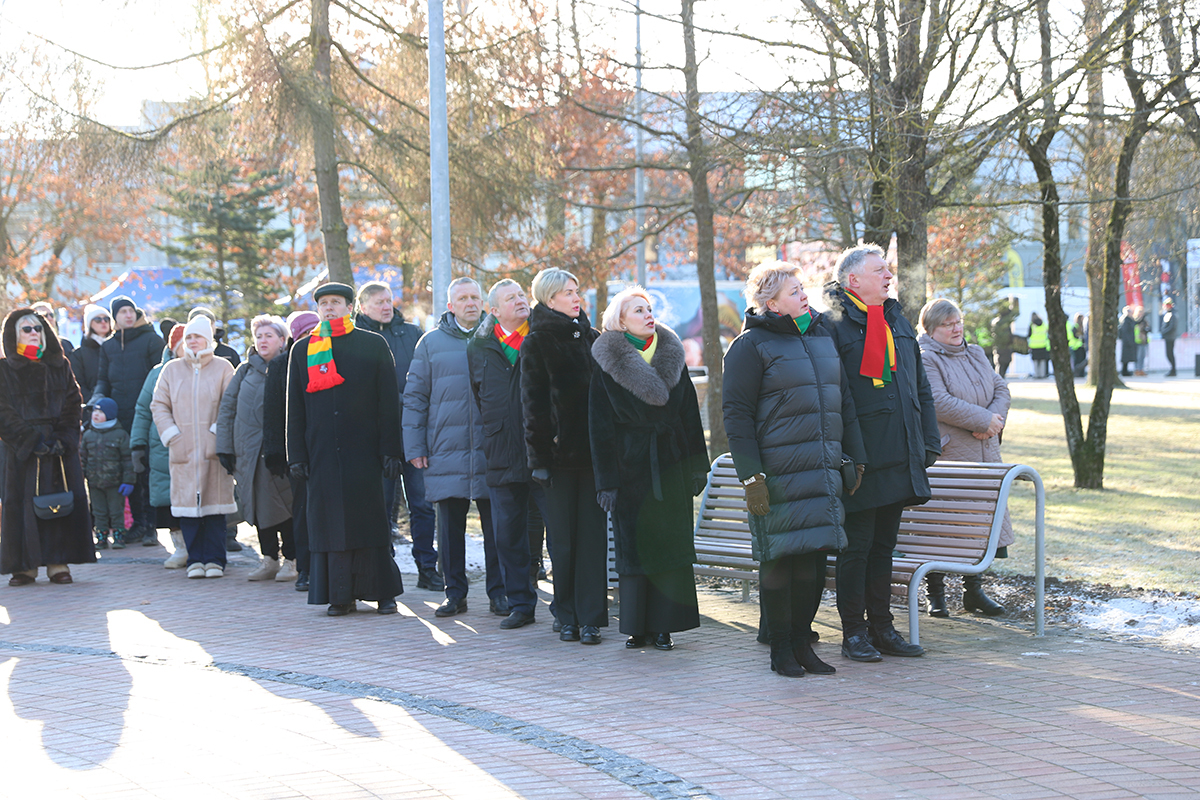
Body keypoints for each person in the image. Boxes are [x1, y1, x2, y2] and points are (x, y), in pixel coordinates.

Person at [723, 265, 867, 676]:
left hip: (820, 471)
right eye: (793, 291)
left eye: (803, 288)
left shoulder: (821, 337)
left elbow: (845, 403)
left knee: (813, 564)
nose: (804, 295)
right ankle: (781, 648)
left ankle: (804, 644)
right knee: (780, 562)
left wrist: (854, 459)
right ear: (771, 303)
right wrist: (751, 478)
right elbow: (737, 416)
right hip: (778, 475)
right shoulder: (750, 346)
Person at [821, 245, 940, 662]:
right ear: (853, 281)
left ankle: (882, 628)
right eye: (879, 270)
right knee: (857, 547)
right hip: (860, 458)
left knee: (884, 546)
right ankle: (853, 632)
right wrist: (845, 453)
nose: (889, 276)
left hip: (899, 452)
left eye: (888, 269)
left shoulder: (896, 320)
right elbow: (831, 395)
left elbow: (919, 386)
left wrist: (928, 441)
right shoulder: (831, 324)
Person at [590, 286, 709, 652]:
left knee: (669, 546)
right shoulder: (608, 362)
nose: (647, 315)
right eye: (638, 310)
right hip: (631, 469)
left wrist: (696, 467)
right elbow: (600, 427)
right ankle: (637, 626)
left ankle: (665, 626)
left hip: (669, 464)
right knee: (635, 548)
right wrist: (607, 481)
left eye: (649, 308)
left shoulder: (672, 354)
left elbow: (690, 415)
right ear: (620, 320)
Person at [288, 282, 406, 616]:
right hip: (321, 453)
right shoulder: (303, 350)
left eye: (335, 302)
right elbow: (294, 407)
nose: (328, 308)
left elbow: (387, 401)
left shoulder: (372, 344)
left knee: (369, 522)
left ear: (349, 307)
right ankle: (340, 595)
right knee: (330, 526)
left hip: (364, 451)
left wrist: (390, 450)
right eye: (323, 303)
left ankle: (383, 593)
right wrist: (295, 454)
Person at [404, 277, 502, 616]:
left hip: (492, 449)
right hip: (445, 448)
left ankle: (498, 594)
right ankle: (454, 593)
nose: (470, 303)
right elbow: (415, 397)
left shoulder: (499, 337)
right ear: (450, 306)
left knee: (496, 527)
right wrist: (415, 446)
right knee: (449, 529)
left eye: (475, 297)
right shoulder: (430, 344)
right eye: (463, 298)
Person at [521, 268, 609, 644]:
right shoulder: (537, 341)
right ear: (549, 299)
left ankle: (591, 618)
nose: (577, 298)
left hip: (592, 459)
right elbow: (533, 404)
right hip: (556, 460)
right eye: (568, 292)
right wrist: (539, 458)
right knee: (564, 541)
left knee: (592, 539)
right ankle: (567, 614)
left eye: (577, 291)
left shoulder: (592, 338)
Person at [917, 298, 1012, 617]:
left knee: (981, 524)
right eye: (947, 324)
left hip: (985, 453)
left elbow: (1001, 389)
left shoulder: (975, 353)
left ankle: (974, 591)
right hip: (950, 455)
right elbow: (937, 401)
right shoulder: (926, 358)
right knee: (942, 526)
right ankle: (936, 595)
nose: (956, 328)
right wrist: (982, 420)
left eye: (958, 321)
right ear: (931, 329)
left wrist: (994, 419)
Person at [468, 279, 549, 631]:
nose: (519, 301)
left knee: (557, 534)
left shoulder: (543, 338)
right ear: (494, 311)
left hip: (544, 451)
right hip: (501, 453)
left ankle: (566, 606)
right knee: (508, 535)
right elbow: (479, 396)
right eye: (509, 298)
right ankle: (520, 604)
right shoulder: (479, 347)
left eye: (521, 295)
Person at [354, 281, 441, 591]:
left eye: (389, 300)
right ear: (362, 307)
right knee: (380, 506)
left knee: (422, 504)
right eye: (379, 302)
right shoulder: (356, 339)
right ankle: (384, 571)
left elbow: (428, 378)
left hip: (415, 433)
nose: (387, 306)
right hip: (376, 439)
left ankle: (427, 568)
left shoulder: (412, 334)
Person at [1, 308, 95, 586]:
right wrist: (29, 440)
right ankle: (24, 567)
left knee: (58, 505)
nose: (33, 333)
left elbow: (72, 402)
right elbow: (3, 411)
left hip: (57, 450)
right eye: (26, 329)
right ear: (13, 335)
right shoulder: (4, 369)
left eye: (37, 328)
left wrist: (62, 439)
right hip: (21, 451)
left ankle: (58, 562)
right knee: (22, 505)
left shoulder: (60, 365)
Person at [151, 316, 238, 579]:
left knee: (214, 507)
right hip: (183, 450)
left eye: (197, 336)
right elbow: (158, 405)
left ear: (208, 339)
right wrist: (172, 435)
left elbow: (230, 403)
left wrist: (216, 434)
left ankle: (215, 559)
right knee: (187, 508)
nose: (192, 341)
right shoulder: (172, 370)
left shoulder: (223, 367)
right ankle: (195, 559)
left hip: (214, 450)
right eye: (189, 337)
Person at [217, 314, 296, 583]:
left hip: (281, 454)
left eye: (269, 336)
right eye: (259, 336)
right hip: (248, 455)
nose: (263, 341)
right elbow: (227, 409)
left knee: (285, 506)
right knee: (260, 508)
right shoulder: (244, 371)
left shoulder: (290, 366)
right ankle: (269, 559)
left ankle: (292, 560)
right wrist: (225, 448)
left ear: (282, 340)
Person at [92, 295, 165, 547]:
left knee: (147, 469)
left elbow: (160, 376)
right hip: (120, 417)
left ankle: (152, 526)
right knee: (129, 470)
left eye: (131, 310)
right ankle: (137, 522)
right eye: (122, 311)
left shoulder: (151, 340)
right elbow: (103, 378)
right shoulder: (108, 346)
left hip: (147, 415)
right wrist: (98, 397)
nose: (128, 315)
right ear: (115, 317)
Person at [262, 310, 319, 591]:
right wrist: (277, 452)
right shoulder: (282, 364)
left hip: (324, 448)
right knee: (302, 510)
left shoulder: (328, 358)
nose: (310, 338)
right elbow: (273, 412)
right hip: (296, 451)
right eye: (305, 333)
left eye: (314, 332)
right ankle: (305, 568)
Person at [132, 325, 187, 568]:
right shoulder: (157, 373)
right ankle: (181, 547)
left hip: (195, 445)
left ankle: (201, 546)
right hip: (161, 446)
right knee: (168, 501)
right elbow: (144, 409)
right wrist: (138, 444)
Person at [81, 398, 135, 551]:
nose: (96, 415)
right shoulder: (88, 435)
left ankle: (118, 536)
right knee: (98, 512)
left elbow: (128, 460)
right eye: (94, 412)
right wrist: (81, 477)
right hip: (94, 483)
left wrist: (129, 481)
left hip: (115, 482)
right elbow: (82, 459)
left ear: (110, 415)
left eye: (100, 412)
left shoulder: (120, 435)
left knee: (116, 511)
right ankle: (101, 537)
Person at [69, 304, 111, 401]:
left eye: (106, 319)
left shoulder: (117, 348)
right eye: (98, 320)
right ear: (90, 324)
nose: (103, 322)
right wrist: (93, 403)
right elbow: (78, 384)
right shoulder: (79, 354)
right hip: (91, 406)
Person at [991, 299, 1018, 378]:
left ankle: (1001, 378)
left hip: (1003, 346)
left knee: (1003, 362)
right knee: (1003, 362)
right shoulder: (1001, 322)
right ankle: (1000, 378)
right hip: (1003, 346)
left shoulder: (999, 321)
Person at [1028, 312, 1049, 379]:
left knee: (1035, 361)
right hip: (1043, 345)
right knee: (1042, 360)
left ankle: (1037, 374)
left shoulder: (1032, 325)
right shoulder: (1044, 324)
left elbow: (1028, 335)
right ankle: (1042, 374)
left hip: (1034, 346)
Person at [1118, 306, 1137, 377]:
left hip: (1128, 340)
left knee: (1127, 357)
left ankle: (1125, 370)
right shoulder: (1126, 320)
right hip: (1127, 341)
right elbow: (1125, 331)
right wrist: (1129, 341)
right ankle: (1124, 371)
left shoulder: (1129, 319)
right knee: (1126, 357)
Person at [1161, 299, 1178, 377]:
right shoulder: (1167, 314)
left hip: (1170, 337)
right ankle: (1172, 369)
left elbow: (1172, 326)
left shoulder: (1172, 315)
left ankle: (1173, 370)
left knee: (1170, 353)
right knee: (1168, 354)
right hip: (1168, 337)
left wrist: (1163, 332)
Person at [1069, 314, 1087, 378]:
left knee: (1082, 360)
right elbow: (1075, 336)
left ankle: (1081, 374)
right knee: (1078, 361)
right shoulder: (1075, 327)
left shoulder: (1083, 326)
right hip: (1076, 347)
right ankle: (1077, 374)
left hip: (1082, 347)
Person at [1134, 307, 1150, 376]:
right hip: (1137, 340)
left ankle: (1141, 369)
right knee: (1137, 356)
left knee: (1142, 356)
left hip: (1144, 341)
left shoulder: (1145, 321)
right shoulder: (1135, 320)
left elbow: (1149, 328)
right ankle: (1137, 369)